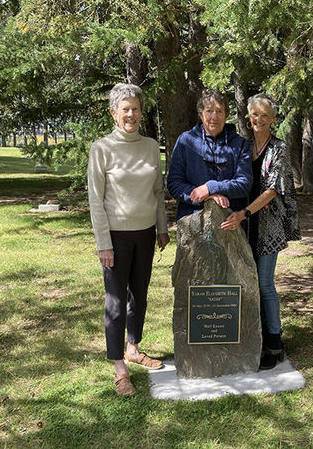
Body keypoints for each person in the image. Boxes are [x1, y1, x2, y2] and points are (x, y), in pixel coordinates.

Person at [88, 83, 170, 396]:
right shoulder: (102, 148)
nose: (131, 114)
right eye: (125, 109)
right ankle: (119, 369)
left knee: (140, 294)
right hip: (116, 237)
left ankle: (133, 348)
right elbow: (96, 199)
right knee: (116, 301)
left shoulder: (151, 146)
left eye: (135, 108)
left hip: (146, 232)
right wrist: (103, 242)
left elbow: (157, 191)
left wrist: (161, 226)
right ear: (113, 113)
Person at [221, 93, 301, 370]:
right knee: (247, 281)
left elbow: (271, 191)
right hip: (244, 224)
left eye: (264, 115)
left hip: (267, 224)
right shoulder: (243, 146)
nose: (258, 120)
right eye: (254, 114)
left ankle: (275, 341)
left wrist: (244, 212)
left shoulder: (278, 148)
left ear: (273, 119)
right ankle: (254, 336)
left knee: (265, 284)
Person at [167, 89, 253, 219]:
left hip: (230, 221)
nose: (214, 117)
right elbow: (174, 184)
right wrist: (206, 197)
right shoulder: (185, 141)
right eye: (209, 111)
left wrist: (211, 187)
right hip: (192, 221)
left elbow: (244, 184)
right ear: (201, 114)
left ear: (226, 115)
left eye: (219, 111)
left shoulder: (240, 144)